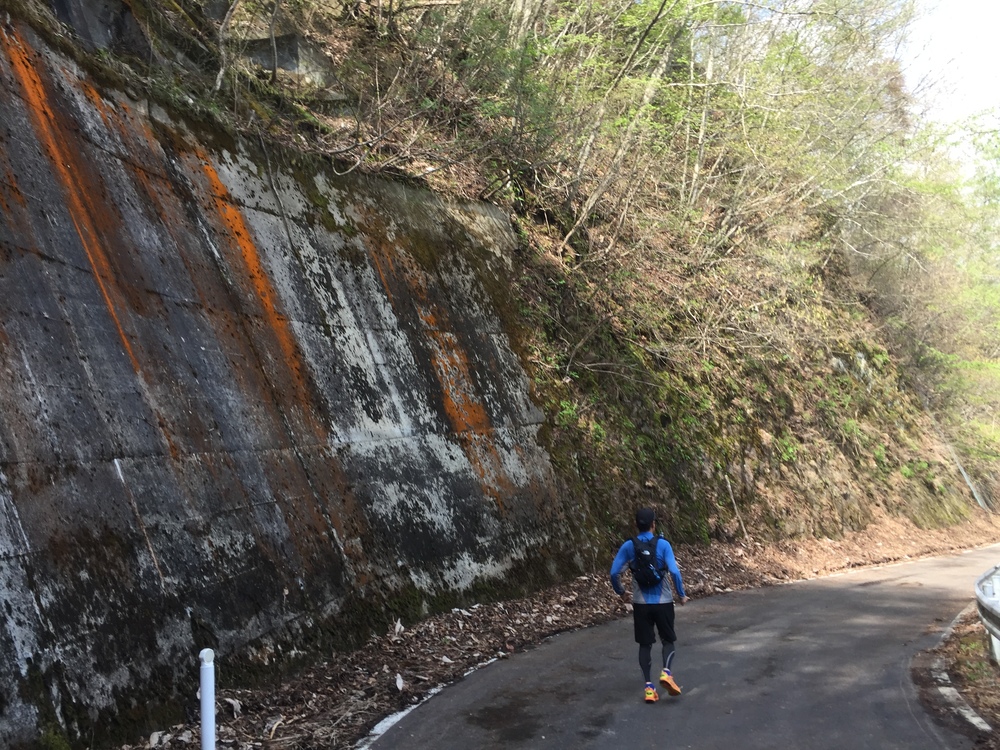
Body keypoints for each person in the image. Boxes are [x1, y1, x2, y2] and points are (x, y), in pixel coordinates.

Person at [609, 507, 690, 703]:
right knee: (668, 640)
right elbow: (675, 572)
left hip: (641, 604)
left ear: (636, 525)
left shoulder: (629, 546)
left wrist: (621, 592)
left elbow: (614, 573)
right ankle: (666, 673)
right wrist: (681, 594)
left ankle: (648, 688)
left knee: (645, 644)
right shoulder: (663, 545)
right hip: (663, 602)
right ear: (654, 524)